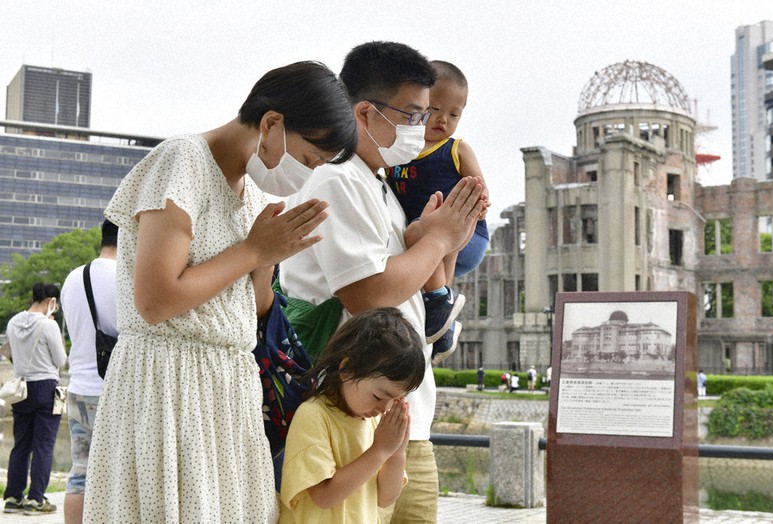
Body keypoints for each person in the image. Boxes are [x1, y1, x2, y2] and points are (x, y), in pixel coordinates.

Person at [82, 61, 358, 523]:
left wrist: (268, 256)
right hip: (167, 379)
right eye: (310, 159)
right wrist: (253, 251)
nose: (307, 174)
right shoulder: (182, 161)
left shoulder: (251, 193)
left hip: (228, 385)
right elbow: (154, 301)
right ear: (272, 123)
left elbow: (252, 309)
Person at [278, 42, 485, 524]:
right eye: (414, 114)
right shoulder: (336, 178)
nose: (424, 128)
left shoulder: (378, 184)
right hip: (351, 418)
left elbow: (407, 285)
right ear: (366, 111)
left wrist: (430, 238)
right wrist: (438, 240)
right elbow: (368, 293)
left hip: (395, 411)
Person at [279, 308, 426, 523]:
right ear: (346, 369)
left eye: (396, 400)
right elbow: (324, 496)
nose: (385, 408)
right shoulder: (314, 415)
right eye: (378, 396)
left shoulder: (375, 422)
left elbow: (386, 498)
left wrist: (396, 452)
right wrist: (380, 450)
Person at [388, 60, 490, 364]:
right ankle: (443, 332)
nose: (443, 120)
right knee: (421, 233)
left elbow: (481, 195)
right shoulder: (398, 152)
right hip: (432, 241)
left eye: (454, 114)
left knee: (422, 230)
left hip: (467, 236)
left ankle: (439, 300)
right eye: (434, 109)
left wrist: (477, 203)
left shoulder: (456, 149)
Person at [59, 219, 119, 524]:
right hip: (115, 392)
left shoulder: (73, 278)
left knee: (80, 474)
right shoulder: (127, 276)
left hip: (79, 387)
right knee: (120, 478)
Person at [3, 283, 67, 515]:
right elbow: (60, 361)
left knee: (21, 445)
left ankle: (12, 496)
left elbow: (8, 353)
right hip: (45, 388)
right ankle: (36, 498)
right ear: (50, 301)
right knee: (43, 445)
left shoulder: (13, 322)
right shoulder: (48, 326)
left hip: (20, 389)